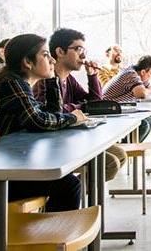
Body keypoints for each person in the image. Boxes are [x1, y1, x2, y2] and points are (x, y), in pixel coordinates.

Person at [0, 33, 88, 211]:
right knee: (68, 184)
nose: (52, 60)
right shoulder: (11, 83)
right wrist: (73, 117)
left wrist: (53, 81)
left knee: (67, 181)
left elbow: (48, 114)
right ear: (27, 62)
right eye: (46, 55)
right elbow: (37, 121)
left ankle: (50, 234)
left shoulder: (14, 81)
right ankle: (51, 236)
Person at [33, 28, 127, 182]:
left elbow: (94, 104)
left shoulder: (69, 79)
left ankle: (77, 194)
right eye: (78, 49)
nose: (84, 55)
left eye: (84, 50)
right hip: (53, 143)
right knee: (111, 162)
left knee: (119, 155)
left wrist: (92, 75)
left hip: (70, 136)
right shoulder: (45, 80)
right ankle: (71, 195)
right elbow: (49, 112)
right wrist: (78, 107)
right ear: (60, 51)